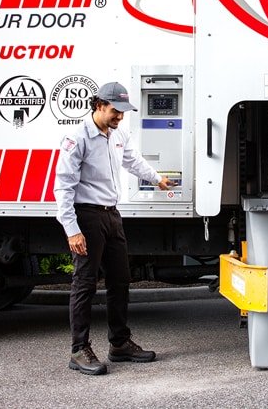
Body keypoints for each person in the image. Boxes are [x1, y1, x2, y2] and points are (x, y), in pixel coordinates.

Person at [54, 81, 174, 375]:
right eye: (115, 110)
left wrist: (157, 178)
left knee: (120, 280)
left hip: (111, 216)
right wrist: (72, 229)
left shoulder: (118, 134)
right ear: (98, 106)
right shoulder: (77, 137)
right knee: (84, 283)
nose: (120, 116)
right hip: (87, 217)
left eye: (123, 111)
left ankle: (119, 343)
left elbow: (133, 162)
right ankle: (79, 350)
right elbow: (63, 186)